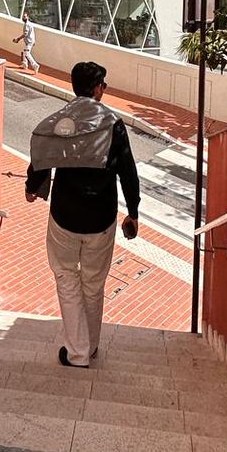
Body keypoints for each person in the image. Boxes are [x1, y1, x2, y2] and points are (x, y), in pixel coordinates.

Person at [25, 61, 140, 368]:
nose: (105, 89)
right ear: (97, 88)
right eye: (104, 84)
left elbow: (43, 153)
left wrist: (33, 186)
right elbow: (128, 172)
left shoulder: (62, 121)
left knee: (66, 278)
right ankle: (90, 348)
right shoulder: (114, 125)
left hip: (64, 215)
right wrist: (134, 212)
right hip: (101, 219)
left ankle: (77, 351)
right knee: (93, 283)